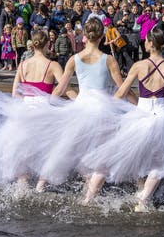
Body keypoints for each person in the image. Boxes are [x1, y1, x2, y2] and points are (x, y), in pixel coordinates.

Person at [96, 30, 164, 211]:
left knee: (137, 155)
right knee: (160, 163)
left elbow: (122, 92)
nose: (144, 43)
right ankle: (143, 200)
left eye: (146, 41)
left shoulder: (138, 66)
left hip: (140, 114)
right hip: (163, 116)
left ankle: (140, 191)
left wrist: (108, 106)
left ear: (151, 44)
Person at [44, 20, 128, 200]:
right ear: (102, 37)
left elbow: (60, 89)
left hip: (81, 107)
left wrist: (46, 105)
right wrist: (129, 104)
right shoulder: (109, 59)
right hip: (102, 107)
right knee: (103, 154)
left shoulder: (74, 59)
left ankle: (88, 187)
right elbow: (122, 88)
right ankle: (90, 197)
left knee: (80, 150)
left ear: (85, 36)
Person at [0, 30, 63, 190]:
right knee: (51, 149)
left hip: (24, 111)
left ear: (32, 45)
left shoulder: (22, 65)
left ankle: (23, 186)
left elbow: (15, 94)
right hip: (44, 111)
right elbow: (63, 88)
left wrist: (27, 103)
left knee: (21, 149)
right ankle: (40, 186)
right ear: (48, 44)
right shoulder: (53, 65)